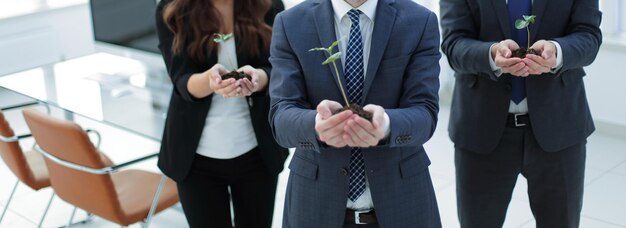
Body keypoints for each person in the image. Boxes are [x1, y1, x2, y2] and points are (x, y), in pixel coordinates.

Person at [269, 0, 442, 227]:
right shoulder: (290, 23)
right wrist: (316, 125)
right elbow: (281, 116)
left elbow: (425, 111)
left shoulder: (419, 21)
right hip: (315, 205)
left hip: (402, 203)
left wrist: (387, 125)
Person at [439, 0, 602, 227]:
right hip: (481, 128)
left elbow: (589, 35)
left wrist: (558, 51)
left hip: (559, 126)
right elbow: (453, 43)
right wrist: (490, 54)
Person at [154, 0, 289, 227]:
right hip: (195, 160)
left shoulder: (269, 5)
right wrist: (211, 81)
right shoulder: (172, 9)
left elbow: (279, 68)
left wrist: (258, 79)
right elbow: (181, 79)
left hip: (258, 153)